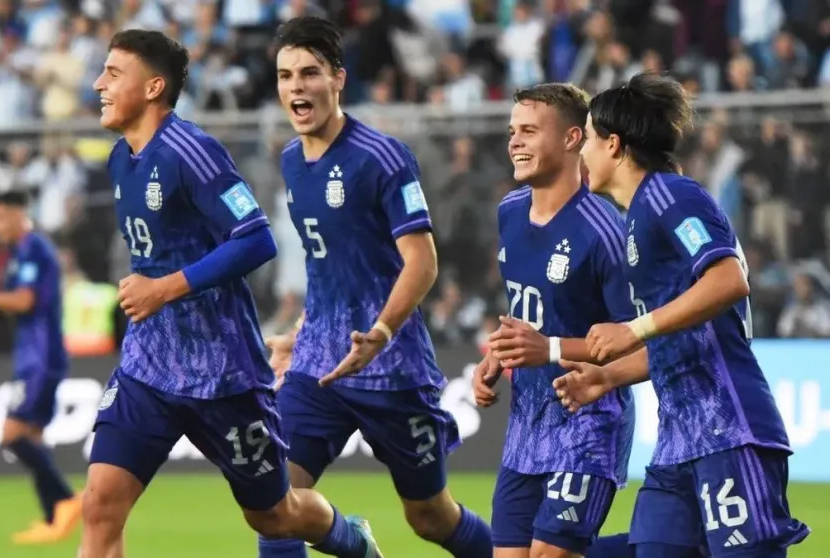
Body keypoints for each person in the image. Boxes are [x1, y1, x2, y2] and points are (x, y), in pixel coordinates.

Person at [82, 29, 382, 558]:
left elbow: (256, 238)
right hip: (147, 368)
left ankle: (350, 539)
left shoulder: (191, 151)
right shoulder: (120, 160)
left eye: (112, 73)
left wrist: (165, 289)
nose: (97, 84)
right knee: (100, 504)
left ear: (153, 87)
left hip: (222, 376)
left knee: (276, 514)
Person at [261, 16, 493, 558]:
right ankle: (356, 545)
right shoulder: (292, 162)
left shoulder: (382, 157)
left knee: (431, 517)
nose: (296, 86)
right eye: (285, 75)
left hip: (391, 370)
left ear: (337, 79)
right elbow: (332, 269)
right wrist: (302, 331)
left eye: (310, 73)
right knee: (274, 503)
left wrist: (382, 331)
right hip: (318, 366)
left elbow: (423, 261)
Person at [554, 72, 810, 558]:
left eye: (585, 140)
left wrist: (632, 329)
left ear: (613, 145)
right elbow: (682, 337)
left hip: (729, 429)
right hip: (680, 441)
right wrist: (608, 378)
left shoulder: (671, 195)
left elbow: (728, 279)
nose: (579, 152)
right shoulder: (638, 216)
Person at [471, 82, 637, 558]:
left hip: (589, 423)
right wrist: (498, 358)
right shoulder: (509, 212)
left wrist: (551, 350)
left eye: (528, 131)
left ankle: (673, 546)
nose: (514, 142)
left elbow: (637, 341)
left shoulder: (605, 231)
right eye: (511, 131)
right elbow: (526, 312)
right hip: (527, 426)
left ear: (570, 139)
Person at [0, 190, 80, 544]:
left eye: (1, 218)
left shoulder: (35, 249)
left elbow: (24, 301)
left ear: (22, 214)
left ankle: (66, 500)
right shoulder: (17, 254)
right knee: (32, 436)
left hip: (42, 356)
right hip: (31, 354)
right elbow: (6, 307)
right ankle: (54, 518)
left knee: (12, 435)